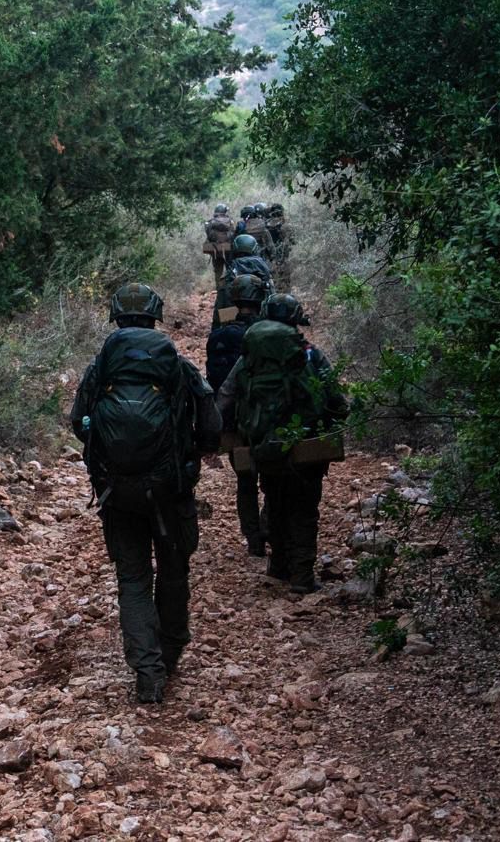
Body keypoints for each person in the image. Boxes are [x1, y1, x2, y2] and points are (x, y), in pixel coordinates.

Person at [71, 283, 221, 703]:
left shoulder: (103, 363)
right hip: (170, 488)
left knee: (133, 577)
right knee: (174, 570)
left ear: (116, 316)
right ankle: (170, 654)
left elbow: (76, 418)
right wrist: (199, 451)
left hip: (117, 491)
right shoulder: (174, 360)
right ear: (155, 314)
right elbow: (209, 416)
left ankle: (147, 673)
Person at [218, 294, 346, 594]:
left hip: (263, 443)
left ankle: (278, 566)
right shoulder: (309, 354)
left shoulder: (250, 357)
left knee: (274, 501)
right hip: (305, 444)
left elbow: (227, 394)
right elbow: (336, 399)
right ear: (294, 321)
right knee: (304, 508)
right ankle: (301, 577)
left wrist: (221, 434)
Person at [204, 272, 273, 556]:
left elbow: (217, 382)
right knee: (273, 479)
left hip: (234, 423)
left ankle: (253, 540)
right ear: (260, 298)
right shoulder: (270, 331)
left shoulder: (221, 331)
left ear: (234, 297)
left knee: (245, 481)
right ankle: (270, 526)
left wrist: (214, 429)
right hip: (269, 420)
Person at [210, 235, 273, 330]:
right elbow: (272, 297)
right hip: (261, 321)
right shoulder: (264, 270)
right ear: (255, 249)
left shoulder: (229, 273)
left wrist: (215, 330)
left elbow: (220, 307)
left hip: (233, 321)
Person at [202, 203, 236, 285]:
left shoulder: (210, 222)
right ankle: (230, 286)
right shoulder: (230, 221)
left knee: (218, 271)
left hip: (215, 249)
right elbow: (233, 234)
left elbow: (208, 235)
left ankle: (219, 288)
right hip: (228, 249)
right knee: (230, 268)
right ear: (224, 211)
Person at [266, 203, 292, 288]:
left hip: (270, 257)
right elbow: (292, 240)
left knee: (271, 278)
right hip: (283, 256)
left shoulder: (266, 224)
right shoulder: (286, 225)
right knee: (285, 279)